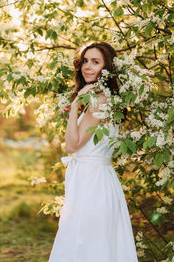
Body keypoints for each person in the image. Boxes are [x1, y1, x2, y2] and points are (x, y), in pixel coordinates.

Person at [48, 42, 138, 262]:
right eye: (85, 61)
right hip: (94, 178)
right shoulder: (104, 98)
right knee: (93, 242)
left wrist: (75, 106)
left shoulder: (98, 100)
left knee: (86, 242)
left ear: (107, 68)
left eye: (95, 62)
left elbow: (72, 145)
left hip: (92, 182)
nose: (87, 67)